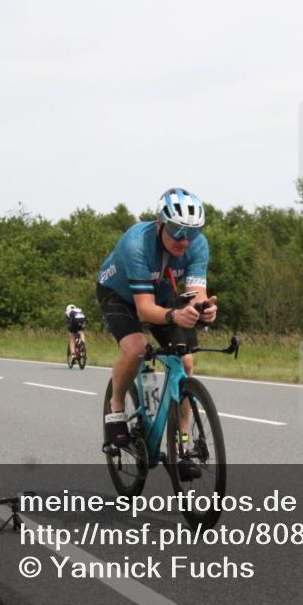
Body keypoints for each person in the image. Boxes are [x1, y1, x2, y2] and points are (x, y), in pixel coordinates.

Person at [96, 188, 217, 476]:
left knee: (185, 361)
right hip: (120, 296)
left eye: (193, 232)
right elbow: (144, 310)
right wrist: (175, 314)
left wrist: (204, 309)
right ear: (160, 222)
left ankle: (182, 445)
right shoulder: (136, 244)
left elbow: (197, 293)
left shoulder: (197, 246)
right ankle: (115, 408)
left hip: (162, 295)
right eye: (176, 230)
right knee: (137, 349)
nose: (184, 240)